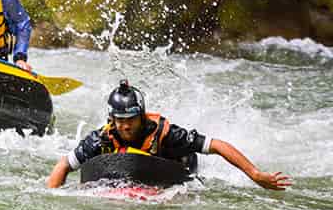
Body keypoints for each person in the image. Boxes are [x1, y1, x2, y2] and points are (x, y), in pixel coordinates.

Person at [46, 80, 293, 191]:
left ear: (141, 116)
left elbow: (216, 145)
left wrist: (255, 174)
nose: (125, 127)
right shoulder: (101, 138)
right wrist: (52, 197)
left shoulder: (168, 134)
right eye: (119, 121)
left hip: (174, 165)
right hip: (128, 171)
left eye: (130, 119)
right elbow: (64, 165)